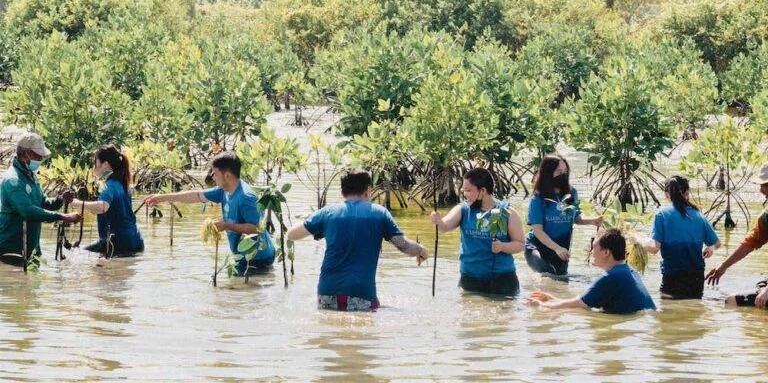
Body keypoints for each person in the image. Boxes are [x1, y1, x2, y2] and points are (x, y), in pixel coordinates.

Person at [287, 168, 427, 311]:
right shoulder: (380, 213)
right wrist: (421, 250)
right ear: (367, 191)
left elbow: (291, 234)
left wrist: (320, 226)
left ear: (342, 193)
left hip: (327, 292)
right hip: (362, 294)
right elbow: (404, 246)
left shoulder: (327, 213)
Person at [146, 151, 275, 276]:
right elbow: (196, 196)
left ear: (227, 176)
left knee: (238, 293)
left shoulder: (246, 197)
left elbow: (257, 228)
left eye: (215, 174)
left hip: (258, 258)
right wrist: (162, 198)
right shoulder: (223, 190)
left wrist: (227, 226)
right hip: (242, 255)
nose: (212, 177)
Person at [429, 167, 525, 296]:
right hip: (470, 278)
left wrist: (503, 247)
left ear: (483, 191)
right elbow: (445, 227)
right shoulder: (463, 209)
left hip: (502, 279)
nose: (465, 194)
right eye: (464, 190)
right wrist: (438, 221)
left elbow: (520, 244)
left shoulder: (508, 212)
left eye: (468, 190)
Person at [528, 228, 656, 314]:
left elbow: (580, 304)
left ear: (606, 252)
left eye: (594, 247)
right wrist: (553, 299)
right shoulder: (628, 270)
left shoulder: (610, 277)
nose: (591, 252)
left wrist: (542, 306)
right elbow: (584, 303)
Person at [0, 133, 81, 266]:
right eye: (37, 155)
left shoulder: (31, 176)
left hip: (31, 247)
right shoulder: (13, 180)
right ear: (25, 154)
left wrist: (60, 199)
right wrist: (63, 216)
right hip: (12, 249)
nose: (41, 158)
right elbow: (28, 211)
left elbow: (43, 203)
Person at [637, 175, 720, 299]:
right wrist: (710, 249)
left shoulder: (662, 215)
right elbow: (717, 243)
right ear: (687, 193)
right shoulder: (699, 216)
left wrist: (638, 239)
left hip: (672, 277)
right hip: (696, 279)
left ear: (666, 194)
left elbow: (654, 248)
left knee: (669, 313)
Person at [524, 154, 603, 277]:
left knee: (561, 280)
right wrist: (556, 248)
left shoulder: (571, 193)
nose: (563, 175)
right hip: (537, 247)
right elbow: (538, 231)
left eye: (566, 172)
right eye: (559, 171)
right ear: (548, 174)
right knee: (547, 274)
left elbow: (576, 218)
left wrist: (593, 221)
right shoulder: (538, 198)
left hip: (562, 247)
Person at [706, 163, 768, 308]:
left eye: (764, 185)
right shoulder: (766, 217)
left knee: (730, 301)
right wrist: (722, 267)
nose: (761, 190)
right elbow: (749, 243)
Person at [71, 145, 144, 257]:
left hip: (118, 243)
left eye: (96, 162)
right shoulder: (123, 183)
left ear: (105, 164)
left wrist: (76, 203)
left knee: (75, 253)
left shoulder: (109, 186)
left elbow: (103, 207)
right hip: (136, 240)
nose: (94, 166)